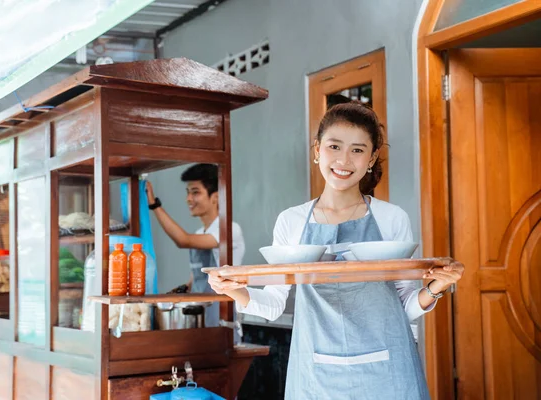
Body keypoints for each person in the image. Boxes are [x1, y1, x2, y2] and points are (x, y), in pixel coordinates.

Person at [208, 102, 464, 399]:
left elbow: (406, 305)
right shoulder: (291, 221)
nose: (344, 160)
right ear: (317, 150)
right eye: (334, 146)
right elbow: (274, 304)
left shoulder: (392, 218)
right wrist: (233, 289)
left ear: (371, 158)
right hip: (316, 371)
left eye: (357, 150)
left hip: (387, 370)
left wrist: (436, 287)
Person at [146, 163, 245, 328]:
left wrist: (154, 205)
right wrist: (181, 290)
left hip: (222, 319)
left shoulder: (229, 229)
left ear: (215, 197)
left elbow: (183, 240)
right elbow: (198, 276)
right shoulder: (201, 232)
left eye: (195, 192)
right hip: (200, 317)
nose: (189, 199)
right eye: (188, 193)